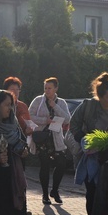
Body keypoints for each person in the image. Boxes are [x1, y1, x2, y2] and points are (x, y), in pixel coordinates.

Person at [70, 72, 108, 215]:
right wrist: (84, 139)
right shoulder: (87, 106)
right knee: (92, 193)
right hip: (91, 157)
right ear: (99, 96)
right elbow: (73, 124)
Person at [28, 77, 71, 205]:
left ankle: (55, 190)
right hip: (42, 137)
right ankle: (45, 194)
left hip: (56, 138)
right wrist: (44, 121)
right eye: (45, 88)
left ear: (56, 88)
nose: (47, 90)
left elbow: (67, 119)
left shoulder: (61, 102)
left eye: (50, 88)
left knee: (62, 163)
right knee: (44, 165)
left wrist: (55, 106)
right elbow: (30, 116)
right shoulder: (38, 100)